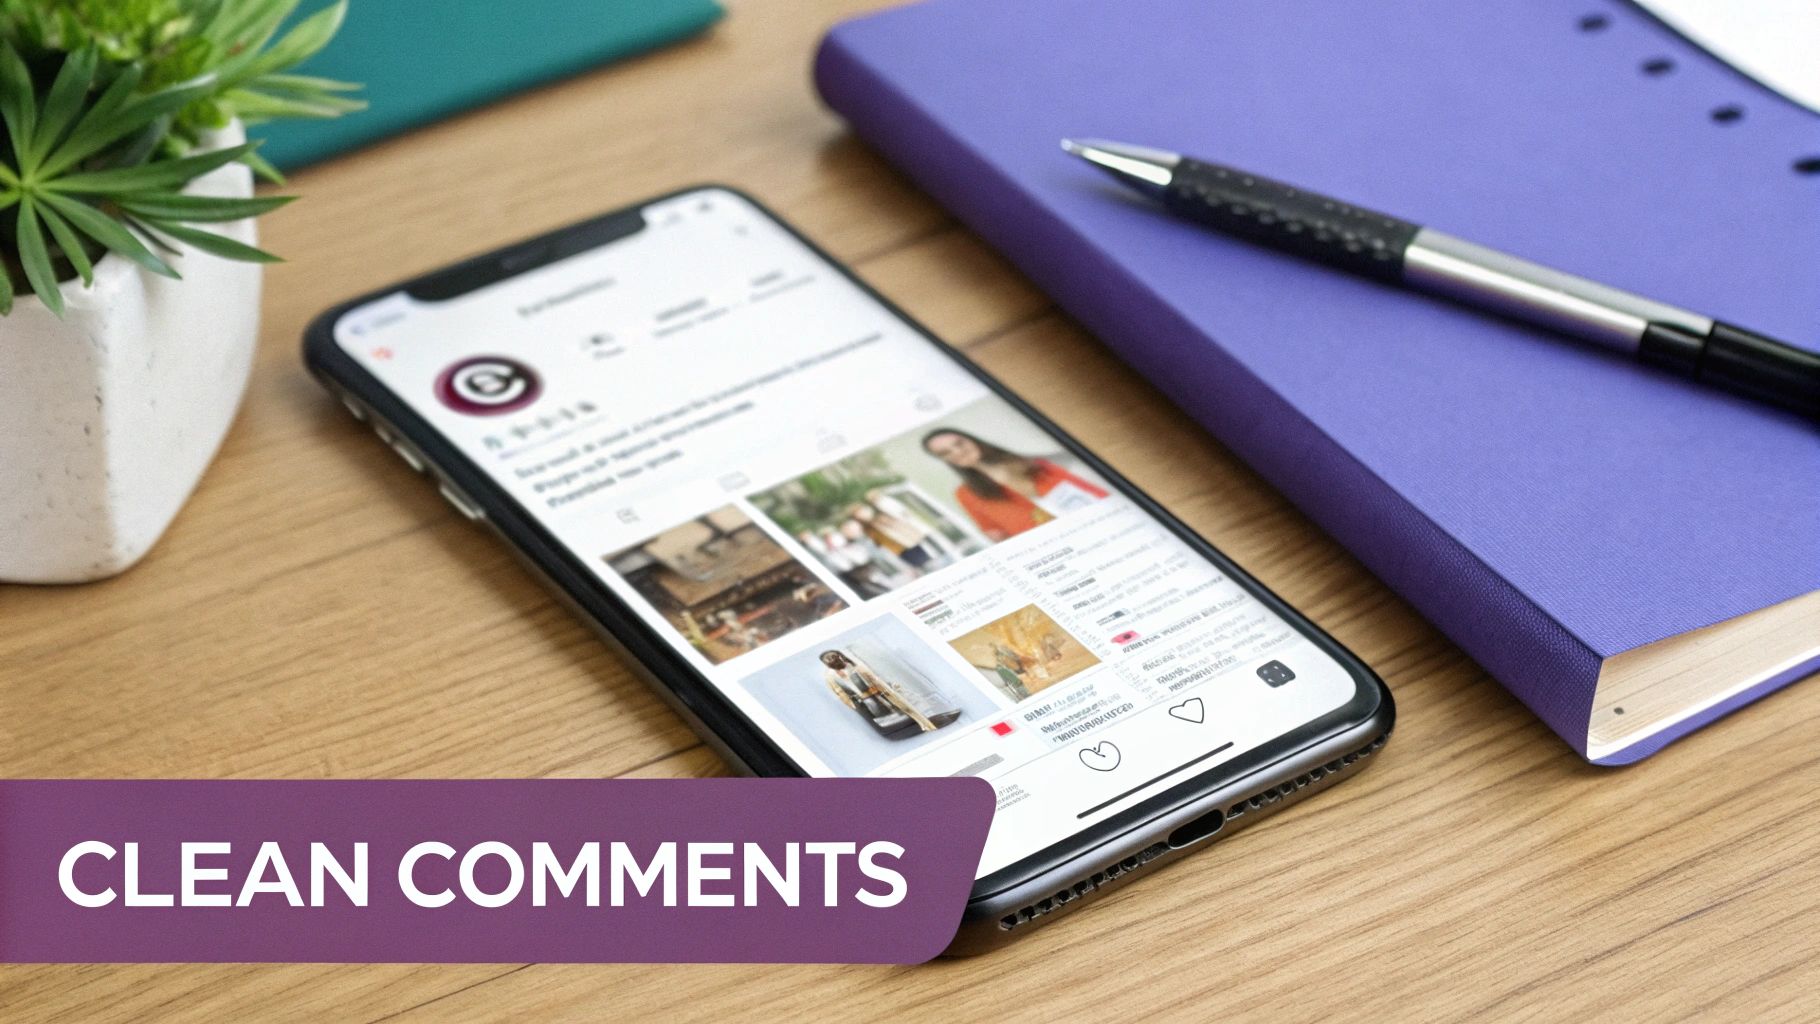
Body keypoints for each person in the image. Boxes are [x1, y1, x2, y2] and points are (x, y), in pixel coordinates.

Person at [921, 428, 1108, 540]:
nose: (957, 452)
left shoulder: (1034, 462)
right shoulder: (966, 494)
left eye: (959, 443)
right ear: (945, 460)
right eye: (945, 453)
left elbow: (1095, 494)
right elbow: (997, 535)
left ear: (972, 440)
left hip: (1098, 526)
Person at [820, 649, 940, 735]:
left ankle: (925, 724)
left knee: (905, 707)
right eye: (829, 660)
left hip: (880, 692)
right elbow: (840, 693)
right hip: (863, 700)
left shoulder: (854, 666)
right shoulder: (830, 677)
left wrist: (885, 688)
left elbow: (873, 678)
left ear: (841, 657)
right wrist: (852, 705)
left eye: (835, 657)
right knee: (886, 716)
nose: (833, 661)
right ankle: (912, 728)